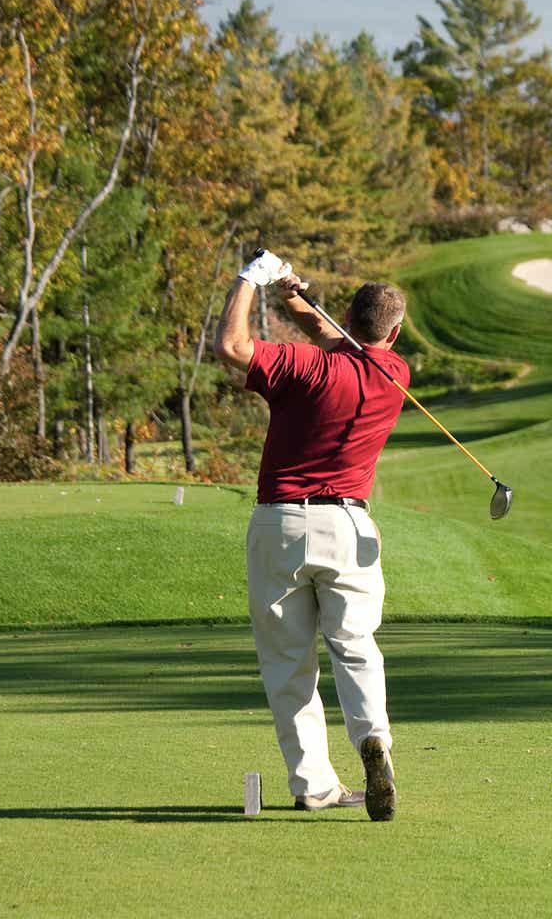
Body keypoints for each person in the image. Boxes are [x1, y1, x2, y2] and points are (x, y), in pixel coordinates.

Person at [214, 249, 405, 822]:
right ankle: (373, 739)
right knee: (355, 646)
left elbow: (232, 346)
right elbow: (338, 336)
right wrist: (291, 294)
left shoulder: (306, 367)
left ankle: (314, 784)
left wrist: (252, 279)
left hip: (280, 524)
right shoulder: (397, 374)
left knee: (289, 663)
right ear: (394, 332)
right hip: (348, 525)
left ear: (348, 318)